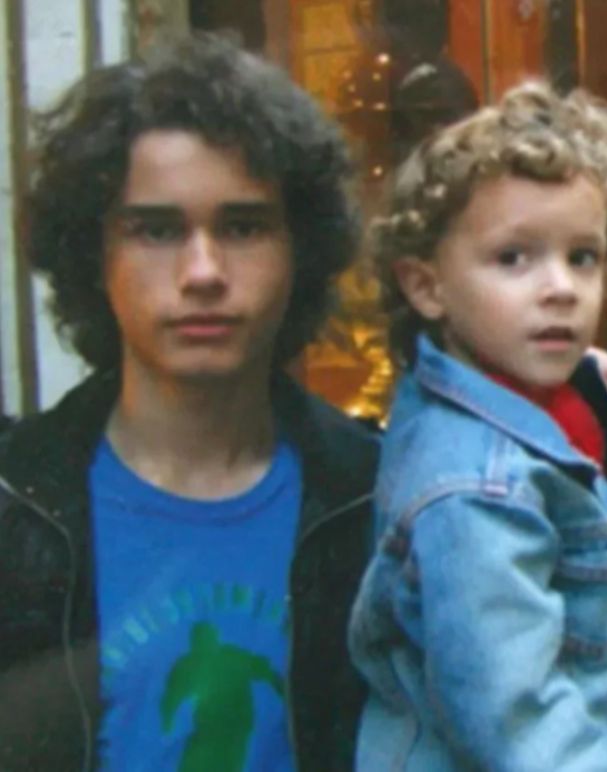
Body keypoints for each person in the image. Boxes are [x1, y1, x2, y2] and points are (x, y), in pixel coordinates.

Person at [0, 35, 376, 770]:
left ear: (300, 249)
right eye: (156, 229)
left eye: (242, 227)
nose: (203, 271)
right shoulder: (15, 501)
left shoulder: (376, 497)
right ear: (94, 254)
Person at [348, 82, 607, 770]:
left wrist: (579, 367)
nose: (561, 288)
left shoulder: (488, 387)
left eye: (583, 257)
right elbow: (521, 724)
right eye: (514, 258)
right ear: (427, 286)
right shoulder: (474, 493)